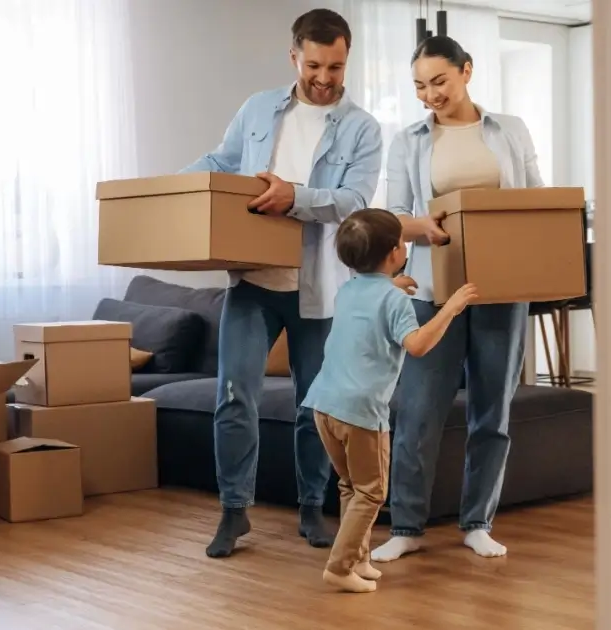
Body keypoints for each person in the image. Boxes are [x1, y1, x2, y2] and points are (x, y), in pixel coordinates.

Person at [179, 8, 383, 559]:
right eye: (314, 64)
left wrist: (294, 196)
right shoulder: (257, 109)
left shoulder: (362, 128)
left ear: (347, 60)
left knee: (314, 405)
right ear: (293, 56)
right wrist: (173, 188)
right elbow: (223, 161)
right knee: (233, 397)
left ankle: (312, 508)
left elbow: (355, 201)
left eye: (336, 66)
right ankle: (233, 511)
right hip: (253, 281)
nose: (324, 77)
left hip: (320, 285)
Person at [371, 36, 544, 562]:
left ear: (466, 71)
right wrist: (422, 228)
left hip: (502, 288)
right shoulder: (409, 141)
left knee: (492, 410)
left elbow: (537, 200)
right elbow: (394, 215)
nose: (430, 94)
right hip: (432, 291)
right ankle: (405, 526)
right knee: (418, 411)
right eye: (420, 85)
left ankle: (478, 522)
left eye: (440, 81)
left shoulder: (508, 130)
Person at [303, 208, 476, 593]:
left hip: (323, 404)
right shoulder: (395, 302)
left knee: (351, 486)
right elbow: (417, 346)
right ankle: (339, 565)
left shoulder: (347, 290)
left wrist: (392, 286)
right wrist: (450, 308)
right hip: (361, 412)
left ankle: (359, 559)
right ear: (396, 252)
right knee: (372, 491)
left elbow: (372, 300)